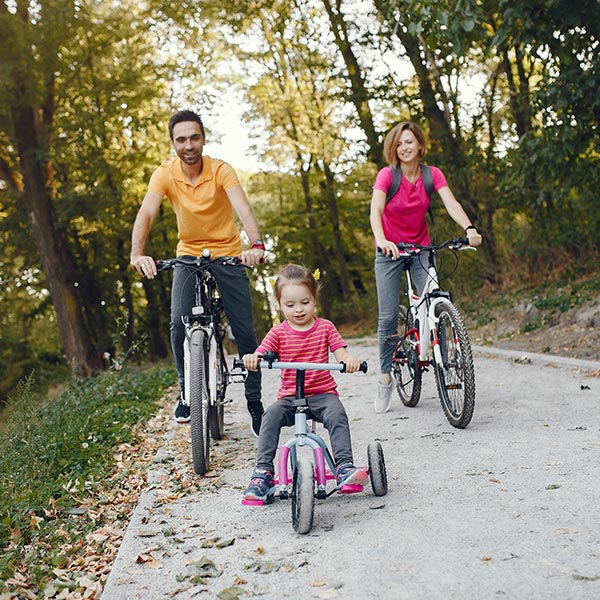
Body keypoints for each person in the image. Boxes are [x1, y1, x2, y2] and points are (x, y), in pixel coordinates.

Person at [130, 109, 265, 435]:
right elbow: (147, 211)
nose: (188, 145)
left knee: (244, 331)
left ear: (203, 138)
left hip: (228, 252)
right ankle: (187, 390)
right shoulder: (165, 173)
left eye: (194, 137)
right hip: (188, 255)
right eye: (181, 139)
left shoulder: (221, 170)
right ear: (173, 143)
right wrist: (138, 253)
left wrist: (256, 245)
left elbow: (242, 207)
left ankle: (254, 399)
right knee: (179, 321)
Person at [369, 121, 482, 414]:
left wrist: (469, 227)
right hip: (390, 251)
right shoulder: (387, 176)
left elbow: (451, 202)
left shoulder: (432, 175)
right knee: (389, 316)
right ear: (393, 149)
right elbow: (376, 210)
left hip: (421, 250)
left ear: (420, 145)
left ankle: (442, 348)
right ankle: (385, 377)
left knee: (436, 298)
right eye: (399, 143)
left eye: (409, 142)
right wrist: (381, 239)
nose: (404, 148)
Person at [241, 264, 365, 503]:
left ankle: (344, 467)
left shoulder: (325, 328)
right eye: (290, 305)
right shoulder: (277, 333)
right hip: (289, 398)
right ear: (280, 304)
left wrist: (348, 360)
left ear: (314, 299)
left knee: (337, 413)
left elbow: (341, 353)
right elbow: (260, 353)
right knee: (270, 416)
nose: (298, 310)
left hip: (322, 394)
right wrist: (253, 358)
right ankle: (263, 473)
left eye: (304, 302)